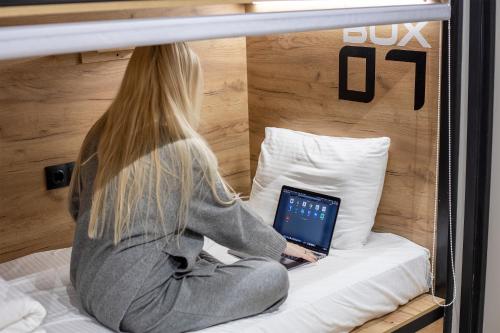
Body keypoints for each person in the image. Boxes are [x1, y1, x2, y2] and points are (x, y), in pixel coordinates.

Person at [68, 43, 317, 333]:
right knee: (272, 276)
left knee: (196, 253)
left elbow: (77, 205)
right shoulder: (180, 150)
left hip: (89, 282)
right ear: (184, 85)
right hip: (137, 304)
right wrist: (280, 246)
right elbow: (227, 216)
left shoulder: (104, 130)